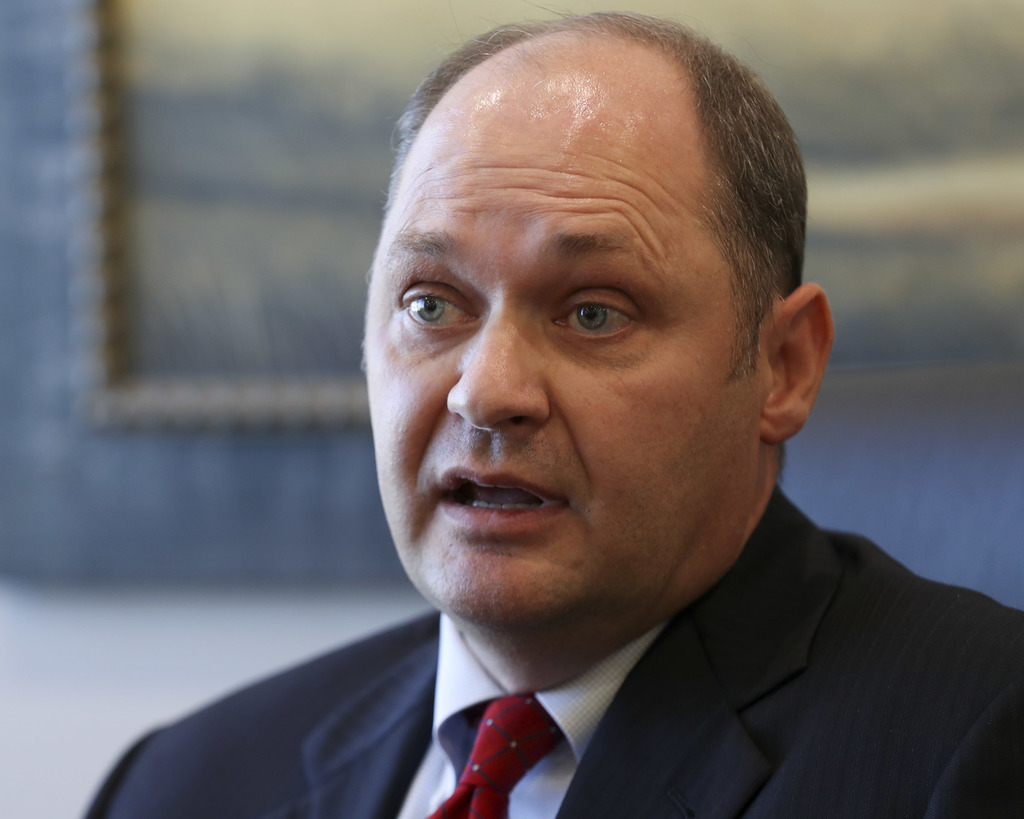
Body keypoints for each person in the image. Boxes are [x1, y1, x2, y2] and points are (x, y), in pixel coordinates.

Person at [85, 12, 1024, 818]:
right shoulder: (185, 784)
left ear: (784, 367)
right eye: (431, 303)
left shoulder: (974, 745)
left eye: (594, 313)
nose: (487, 393)